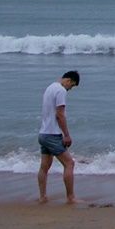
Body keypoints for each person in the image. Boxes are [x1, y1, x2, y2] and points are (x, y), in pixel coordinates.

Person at [37, 70, 80, 204]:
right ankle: (71, 197)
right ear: (69, 81)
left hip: (43, 133)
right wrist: (66, 135)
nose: (70, 89)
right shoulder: (61, 90)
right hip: (52, 134)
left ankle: (43, 196)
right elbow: (60, 115)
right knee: (69, 163)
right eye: (71, 86)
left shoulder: (50, 87)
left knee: (44, 166)